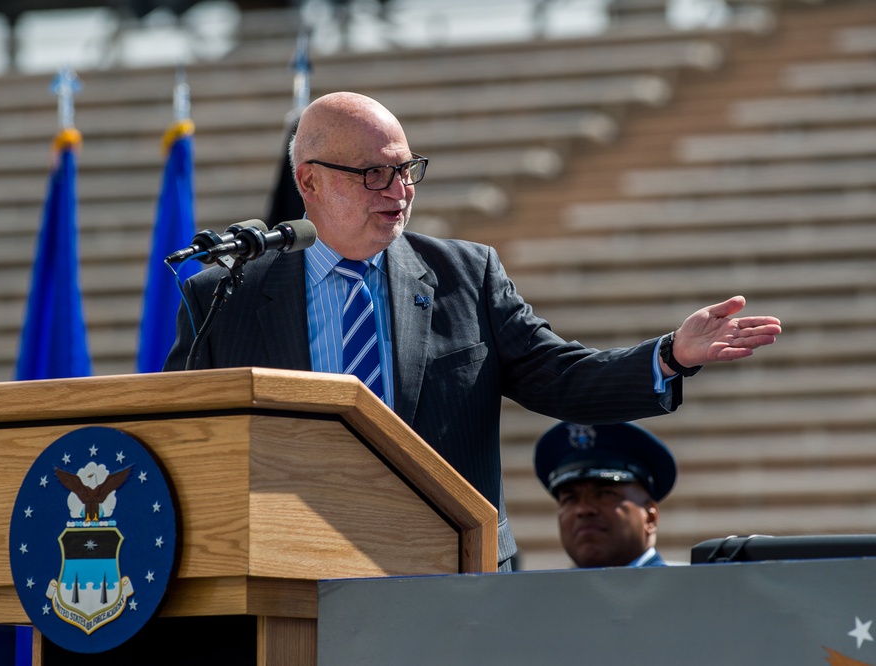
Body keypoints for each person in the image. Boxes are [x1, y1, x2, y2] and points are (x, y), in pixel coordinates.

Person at [163, 91, 781, 571]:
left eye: (407, 170)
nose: (399, 192)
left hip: (449, 564)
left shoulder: (465, 274)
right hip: (292, 568)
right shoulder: (227, 293)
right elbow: (184, 432)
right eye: (374, 175)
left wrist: (670, 355)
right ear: (309, 182)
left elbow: (558, 375)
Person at [534, 421, 676, 568]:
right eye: (570, 498)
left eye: (605, 494)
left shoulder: (686, 590)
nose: (584, 509)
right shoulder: (545, 591)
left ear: (651, 517)